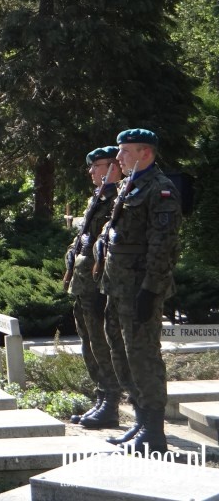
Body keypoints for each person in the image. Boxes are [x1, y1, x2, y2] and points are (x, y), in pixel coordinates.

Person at [100, 128, 182, 454]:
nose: (118, 158)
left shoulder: (160, 191)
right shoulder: (128, 185)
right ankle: (140, 421)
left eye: (124, 152)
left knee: (143, 357)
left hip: (138, 289)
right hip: (117, 286)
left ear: (145, 153)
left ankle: (154, 431)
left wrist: (150, 291)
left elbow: (163, 247)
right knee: (121, 354)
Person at [65, 147, 123, 428]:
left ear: (114, 167)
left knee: (103, 341)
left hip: (100, 285)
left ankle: (111, 402)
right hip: (84, 283)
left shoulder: (118, 200)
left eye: (97, 166)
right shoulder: (97, 199)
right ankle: (101, 396)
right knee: (88, 339)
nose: (91, 172)